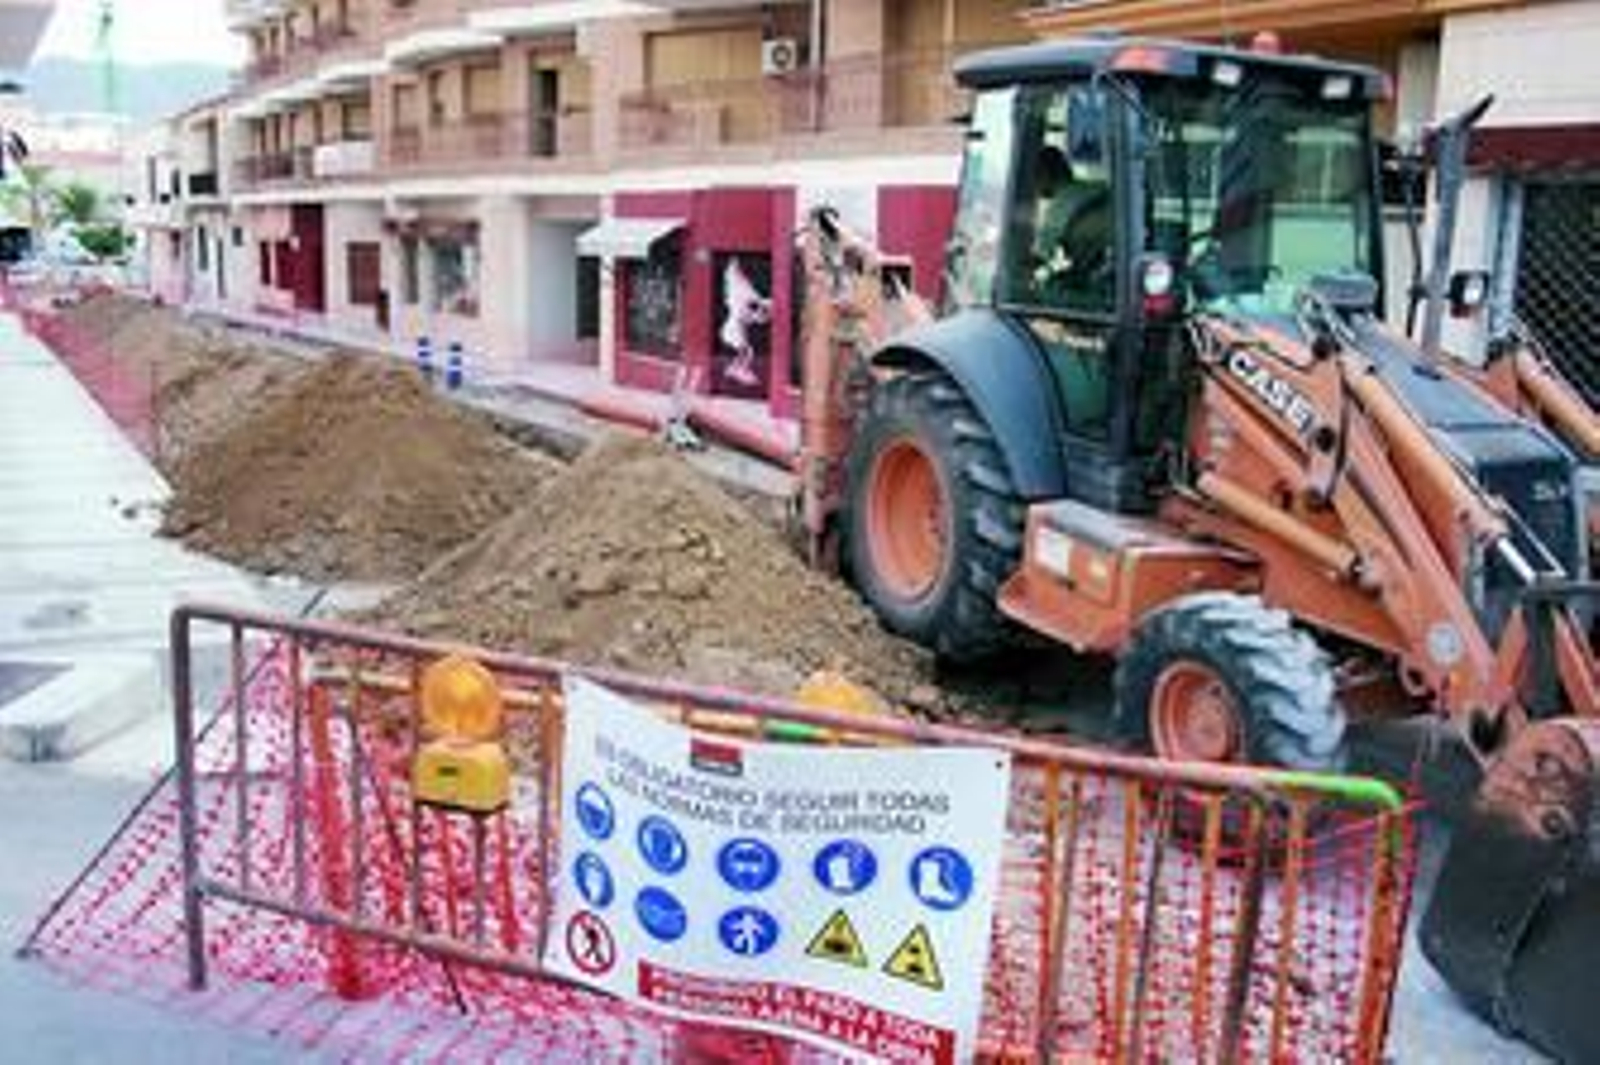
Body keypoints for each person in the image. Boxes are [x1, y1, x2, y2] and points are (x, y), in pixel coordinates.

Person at [1031, 143, 1113, 306]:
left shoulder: (1060, 206)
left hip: (1101, 289)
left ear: (1045, 175)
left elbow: (1038, 258)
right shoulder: (1096, 188)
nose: (1033, 185)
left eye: (1035, 177)